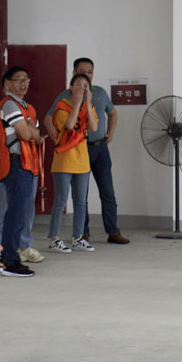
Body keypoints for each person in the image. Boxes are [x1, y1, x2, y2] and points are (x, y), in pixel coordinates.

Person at [45, 58, 129, 244]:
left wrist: (111, 132)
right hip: (77, 150)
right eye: (82, 72)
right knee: (80, 196)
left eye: (90, 72)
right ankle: (82, 233)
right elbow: (48, 119)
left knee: (107, 191)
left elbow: (112, 113)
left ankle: (113, 231)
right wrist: (59, 140)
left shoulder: (99, 93)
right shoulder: (65, 96)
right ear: (74, 73)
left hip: (100, 148)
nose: (87, 75)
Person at [0, 74, 44, 266]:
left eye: (26, 80)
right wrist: (22, 135)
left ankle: (23, 246)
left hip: (30, 164)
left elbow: (35, 135)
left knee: (25, 208)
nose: (24, 83)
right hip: (12, 164)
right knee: (5, 207)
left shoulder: (30, 109)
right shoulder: (5, 107)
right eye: (19, 80)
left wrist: (28, 133)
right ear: (7, 84)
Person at [47, 73, 98, 253]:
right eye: (78, 84)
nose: (81, 88)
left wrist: (87, 104)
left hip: (82, 160)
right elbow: (69, 125)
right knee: (61, 200)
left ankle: (78, 237)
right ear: (70, 87)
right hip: (64, 160)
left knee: (80, 201)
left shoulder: (89, 106)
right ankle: (54, 238)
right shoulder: (62, 105)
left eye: (85, 85)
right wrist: (77, 104)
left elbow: (94, 127)